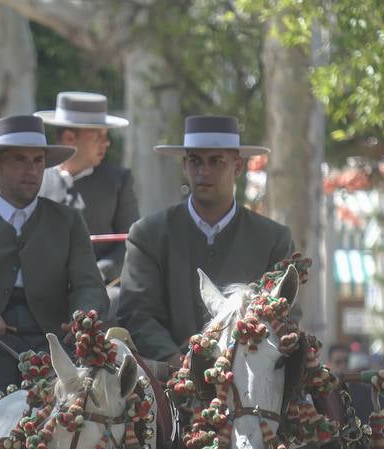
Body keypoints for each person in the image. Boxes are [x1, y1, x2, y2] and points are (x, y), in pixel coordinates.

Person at [0, 114, 107, 411]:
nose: (31, 170)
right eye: (19, 160)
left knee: (74, 417)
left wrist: (83, 319)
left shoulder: (68, 221)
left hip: (55, 341)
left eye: (38, 161)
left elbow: (88, 283)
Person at [110, 115, 295, 363]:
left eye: (216, 161)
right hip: (166, 381)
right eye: (195, 161)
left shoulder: (273, 239)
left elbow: (284, 314)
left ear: (237, 167)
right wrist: (175, 359)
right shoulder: (148, 234)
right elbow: (136, 313)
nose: (203, 171)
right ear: (185, 165)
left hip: (249, 381)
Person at [37, 91, 138, 284]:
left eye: (106, 135)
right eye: (97, 136)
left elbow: (132, 241)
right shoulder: (37, 181)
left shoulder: (118, 181)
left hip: (102, 291)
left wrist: (100, 272)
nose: (106, 143)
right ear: (69, 138)